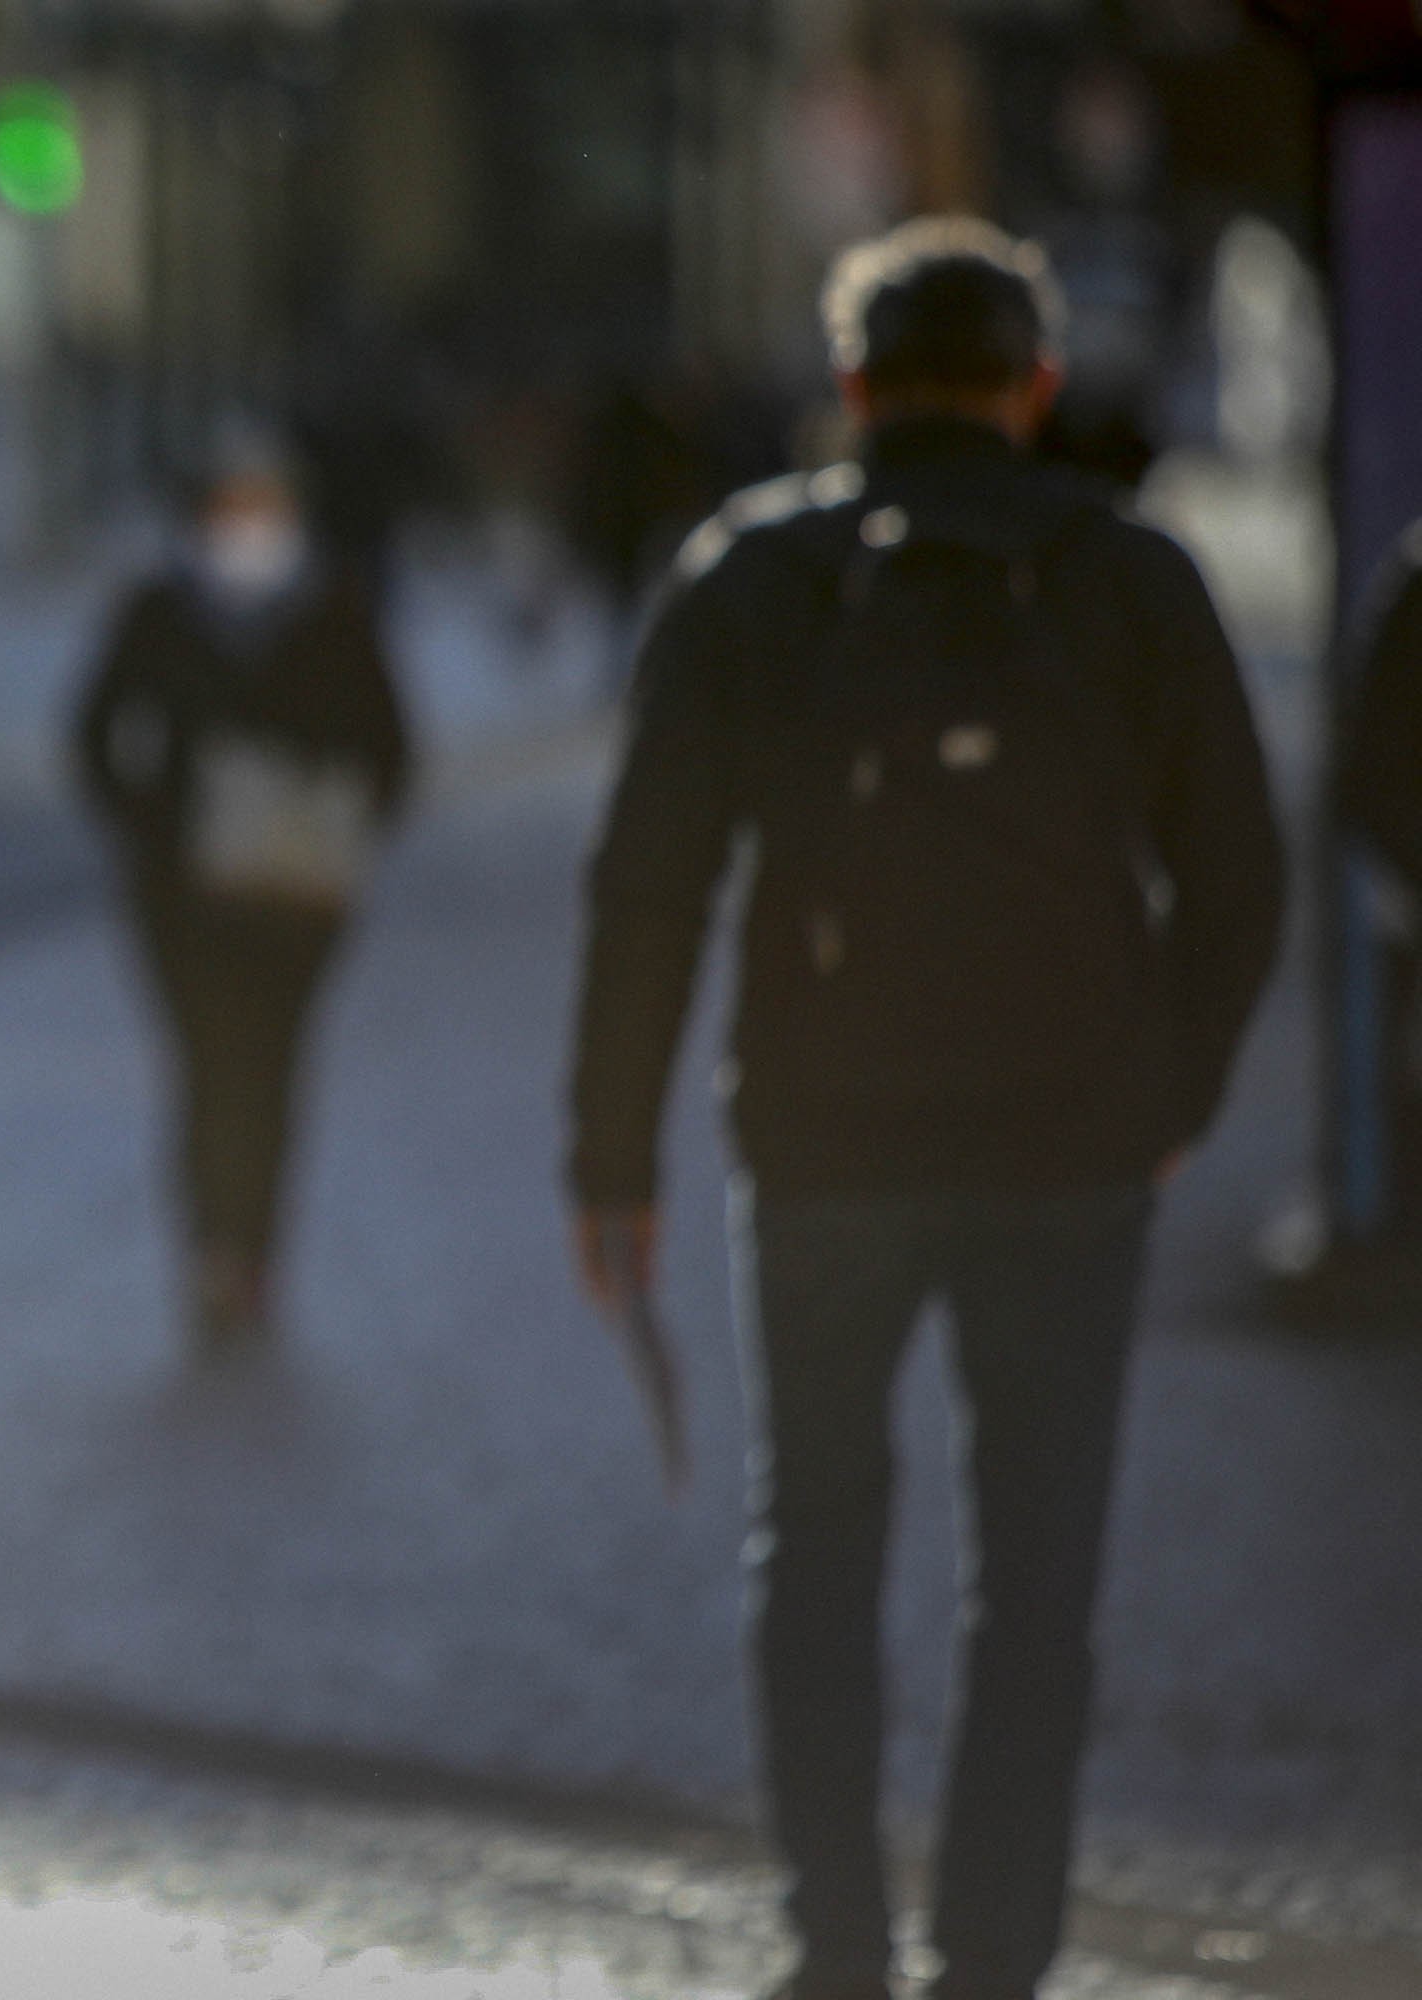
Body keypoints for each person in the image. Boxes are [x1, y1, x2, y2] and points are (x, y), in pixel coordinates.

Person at [564, 217, 1282, 2000]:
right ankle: (995, 1961)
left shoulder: (752, 575)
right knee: (1035, 1580)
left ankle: (837, 1949)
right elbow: (1244, 875)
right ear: (1035, 390)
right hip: (1071, 1153)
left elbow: (646, 883)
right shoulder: (1132, 580)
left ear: (857, 388)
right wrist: (1170, 1096)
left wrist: (611, 1159)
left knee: (814, 1551)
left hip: (820, 1147)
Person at [74, 427, 414, 1351]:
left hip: (296, 900)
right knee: (205, 1067)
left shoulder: (332, 606)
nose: (248, 527)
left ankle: (255, 1253)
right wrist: (149, 825)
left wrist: (335, 829)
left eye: (265, 508)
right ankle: (212, 1252)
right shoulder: (159, 607)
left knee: (269, 1069)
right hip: (183, 897)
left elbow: (392, 746)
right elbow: (95, 732)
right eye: (232, 508)